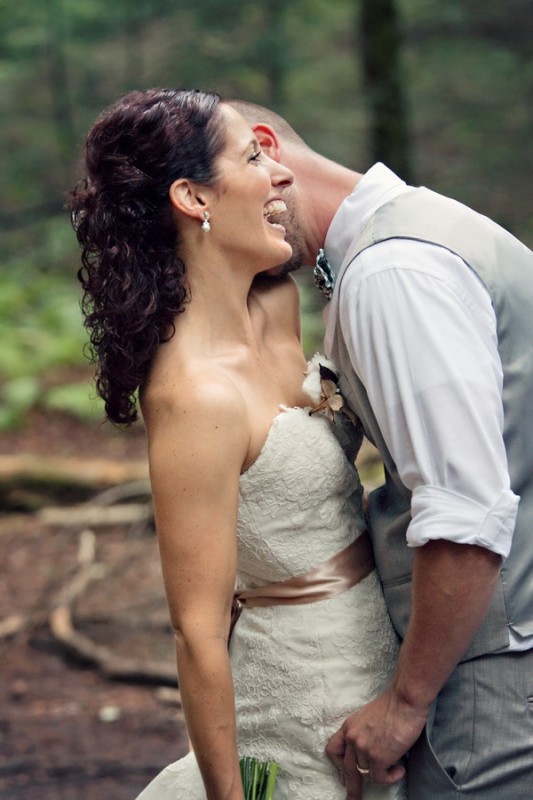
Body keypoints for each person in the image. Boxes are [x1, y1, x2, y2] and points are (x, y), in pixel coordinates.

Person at [69, 88, 404, 800]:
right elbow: (197, 632)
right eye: (252, 156)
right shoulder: (193, 397)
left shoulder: (278, 305)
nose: (279, 171)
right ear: (193, 197)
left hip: (382, 648)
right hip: (296, 694)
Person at [228, 99, 533, 799]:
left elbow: (464, 510)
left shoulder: (393, 273)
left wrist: (405, 702)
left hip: (499, 666)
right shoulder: (413, 236)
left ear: (264, 152)